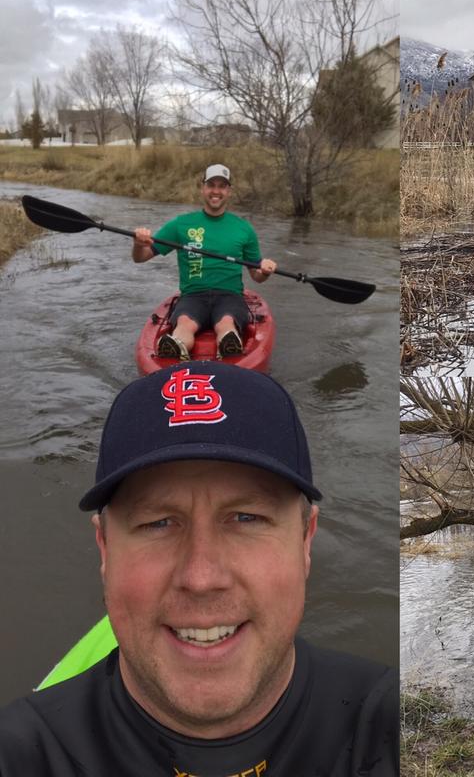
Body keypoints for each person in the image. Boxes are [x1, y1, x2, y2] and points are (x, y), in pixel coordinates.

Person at [0, 361, 398, 775]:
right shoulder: (22, 756)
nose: (201, 578)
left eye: (246, 518)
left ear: (305, 541)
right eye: (157, 523)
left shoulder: (384, 723)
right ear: (104, 549)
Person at [132, 164, 277, 361]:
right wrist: (138, 244)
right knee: (184, 322)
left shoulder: (244, 229)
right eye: (211, 185)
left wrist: (265, 271)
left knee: (226, 322)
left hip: (230, 296)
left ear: (229, 191)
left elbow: (256, 276)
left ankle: (228, 344)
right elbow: (140, 257)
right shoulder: (180, 224)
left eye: (222, 186)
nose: (216, 191)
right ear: (203, 188)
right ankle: (176, 345)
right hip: (193, 296)